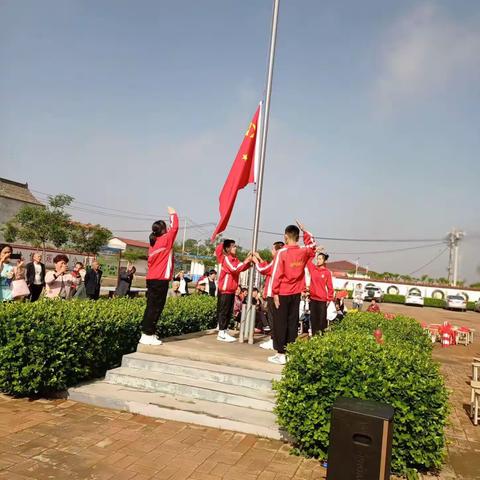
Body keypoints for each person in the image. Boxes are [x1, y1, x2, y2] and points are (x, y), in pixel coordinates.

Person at [269, 221, 316, 364]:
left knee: (280, 323)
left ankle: (281, 353)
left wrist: (275, 293)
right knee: (292, 322)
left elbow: (276, 272)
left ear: (285, 236)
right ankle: (289, 352)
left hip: (283, 292)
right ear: (298, 236)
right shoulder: (303, 250)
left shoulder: (281, 252)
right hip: (296, 293)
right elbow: (313, 245)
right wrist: (305, 231)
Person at [140, 207, 179, 346]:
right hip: (159, 280)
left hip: (152, 279)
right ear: (163, 230)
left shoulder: (154, 243)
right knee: (155, 308)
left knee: (151, 306)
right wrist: (173, 213)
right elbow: (175, 227)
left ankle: (148, 333)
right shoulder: (165, 240)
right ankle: (147, 334)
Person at [215, 239, 253, 342]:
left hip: (231, 290)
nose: (235, 248)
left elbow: (241, 267)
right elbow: (234, 269)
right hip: (225, 290)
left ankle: (224, 331)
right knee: (224, 311)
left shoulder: (234, 259)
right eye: (233, 246)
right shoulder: (226, 258)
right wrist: (246, 261)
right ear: (227, 248)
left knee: (228, 312)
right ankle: (221, 332)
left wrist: (248, 261)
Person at [253, 241, 285, 350]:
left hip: (273, 294)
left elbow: (264, 270)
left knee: (272, 319)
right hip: (280, 294)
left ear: (277, 251)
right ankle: (276, 340)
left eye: (273, 249)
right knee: (276, 319)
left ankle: (273, 341)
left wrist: (255, 261)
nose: (271, 251)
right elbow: (268, 269)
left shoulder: (276, 261)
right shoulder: (282, 261)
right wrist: (260, 259)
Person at [307, 249, 334, 335]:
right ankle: (314, 336)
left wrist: (329, 298)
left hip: (322, 300)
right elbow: (308, 260)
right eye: (317, 259)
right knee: (313, 319)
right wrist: (314, 251)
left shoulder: (327, 273)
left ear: (325, 260)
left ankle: (322, 337)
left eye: (320, 259)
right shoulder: (313, 269)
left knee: (322, 320)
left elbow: (330, 287)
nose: (318, 261)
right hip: (313, 299)